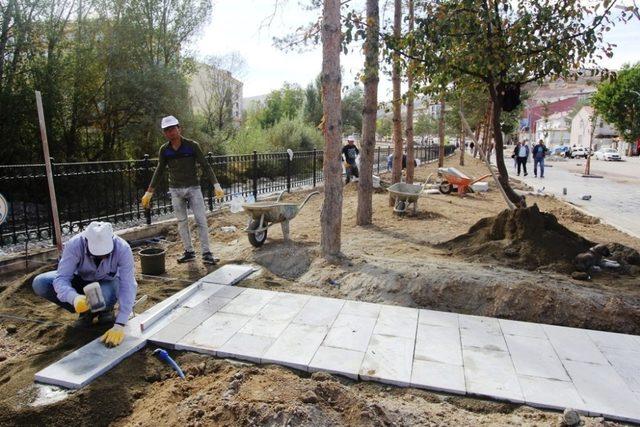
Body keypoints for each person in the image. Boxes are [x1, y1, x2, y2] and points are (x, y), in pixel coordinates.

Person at [32, 222, 137, 348]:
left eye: (105, 254)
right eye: (97, 254)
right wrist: (74, 298)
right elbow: (62, 278)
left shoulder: (122, 248)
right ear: (87, 242)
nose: (102, 257)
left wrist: (120, 324)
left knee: (104, 294)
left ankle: (105, 309)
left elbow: (128, 284)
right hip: (80, 281)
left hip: (107, 283)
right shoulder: (74, 245)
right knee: (41, 283)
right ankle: (86, 312)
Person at [141, 116, 223, 265]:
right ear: (164, 133)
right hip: (176, 190)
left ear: (179, 128)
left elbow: (205, 165)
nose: (170, 132)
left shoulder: (192, 146)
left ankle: (206, 253)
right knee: (182, 222)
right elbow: (159, 170)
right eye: (167, 130)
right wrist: (149, 192)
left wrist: (216, 184)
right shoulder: (164, 150)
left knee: (201, 220)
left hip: (193, 188)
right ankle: (189, 252)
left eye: (172, 128)